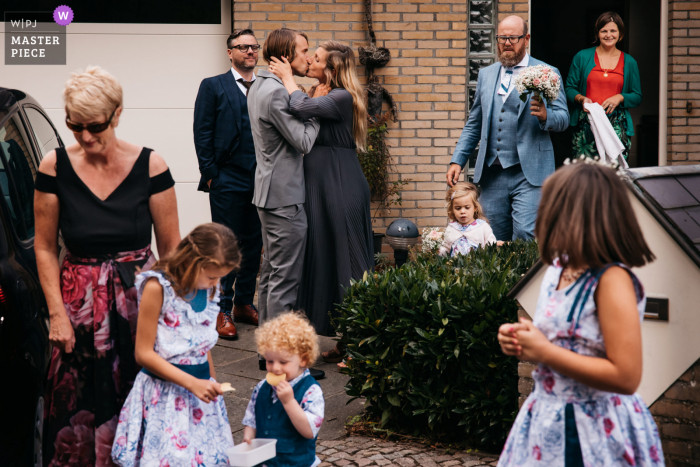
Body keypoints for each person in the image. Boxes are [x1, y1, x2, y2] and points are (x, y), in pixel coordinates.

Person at [35, 66, 181, 466]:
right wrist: (56, 314)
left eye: (94, 126)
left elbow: (171, 251)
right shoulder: (54, 166)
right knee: (76, 412)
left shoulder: (151, 166)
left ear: (117, 114)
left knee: (142, 401)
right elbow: (46, 248)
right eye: (73, 125)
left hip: (140, 306)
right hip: (76, 310)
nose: (84, 136)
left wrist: (176, 320)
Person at [496, 162, 663, 466]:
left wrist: (544, 351)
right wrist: (523, 339)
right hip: (547, 419)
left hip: (593, 430)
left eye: (549, 208)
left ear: (575, 216)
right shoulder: (558, 268)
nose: (540, 217)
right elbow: (563, 340)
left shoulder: (611, 280)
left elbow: (626, 377)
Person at [267, 41, 373, 362]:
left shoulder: (341, 96)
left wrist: (287, 79)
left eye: (316, 59)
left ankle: (360, 342)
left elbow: (298, 108)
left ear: (332, 68)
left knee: (350, 261)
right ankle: (344, 339)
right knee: (326, 258)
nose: (310, 62)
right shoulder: (320, 92)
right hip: (320, 186)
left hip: (340, 185)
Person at [111, 223, 239, 466]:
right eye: (212, 276)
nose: (215, 283)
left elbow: (203, 346)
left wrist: (213, 387)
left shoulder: (210, 289)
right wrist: (192, 383)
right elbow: (143, 353)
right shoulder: (158, 288)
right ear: (193, 262)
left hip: (200, 395)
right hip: (165, 396)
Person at [445, 15, 569, 242]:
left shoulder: (547, 72)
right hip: (493, 173)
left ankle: (529, 279)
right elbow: (474, 122)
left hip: (529, 172)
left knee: (525, 235)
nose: (507, 43)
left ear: (526, 38)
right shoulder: (486, 74)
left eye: (513, 37)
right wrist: (457, 160)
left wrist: (545, 116)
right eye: (502, 38)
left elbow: (564, 118)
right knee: (489, 237)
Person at [247, 28, 323, 377]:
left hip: (269, 193)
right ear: (284, 57)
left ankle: (268, 353)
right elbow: (304, 141)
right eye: (303, 51)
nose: (308, 57)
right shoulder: (276, 93)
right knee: (284, 280)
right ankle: (281, 362)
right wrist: (317, 107)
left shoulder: (259, 84)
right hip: (284, 197)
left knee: (270, 276)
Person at [194, 28, 263, 340]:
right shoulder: (213, 86)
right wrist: (211, 175)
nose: (250, 52)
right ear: (230, 52)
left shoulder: (264, 86)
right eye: (243, 47)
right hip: (227, 178)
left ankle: (244, 303)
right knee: (227, 244)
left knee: (254, 242)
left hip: (261, 178)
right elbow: (202, 131)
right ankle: (222, 308)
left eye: (254, 47)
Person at [242, 312, 324, 467]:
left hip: (295, 462)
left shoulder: (311, 390)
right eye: (270, 361)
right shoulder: (261, 387)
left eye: (283, 362)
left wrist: (289, 402)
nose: (275, 368)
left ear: (303, 359)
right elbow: (252, 417)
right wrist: (248, 436)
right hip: (264, 462)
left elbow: (309, 431)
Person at [566, 11, 642, 160]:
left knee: (614, 174)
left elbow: (637, 96)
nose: (609, 35)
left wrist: (620, 97)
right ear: (597, 34)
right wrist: (581, 98)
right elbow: (568, 88)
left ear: (620, 34)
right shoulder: (582, 57)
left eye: (613, 30)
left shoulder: (630, 62)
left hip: (617, 127)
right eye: (604, 31)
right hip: (586, 125)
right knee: (585, 174)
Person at [438, 182, 502, 257]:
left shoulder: (482, 226)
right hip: (456, 267)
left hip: (477, 266)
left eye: (467, 207)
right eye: (458, 208)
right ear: (452, 209)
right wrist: (437, 251)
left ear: (475, 207)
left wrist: (497, 244)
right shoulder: (451, 228)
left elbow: (491, 245)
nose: (462, 211)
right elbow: (445, 248)